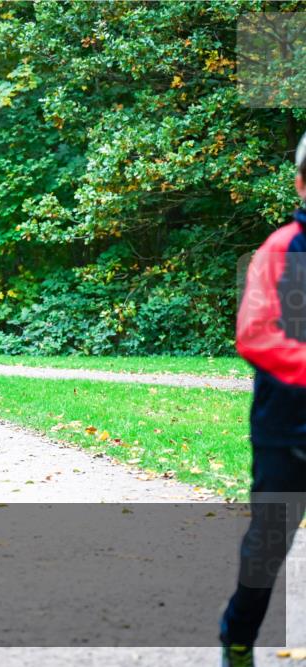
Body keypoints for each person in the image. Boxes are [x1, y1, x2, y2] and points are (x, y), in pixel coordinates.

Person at [219, 132, 306, 667]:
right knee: (268, 546)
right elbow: (255, 333)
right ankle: (238, 639)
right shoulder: (283, 249)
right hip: (286, 430)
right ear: (301, 185)